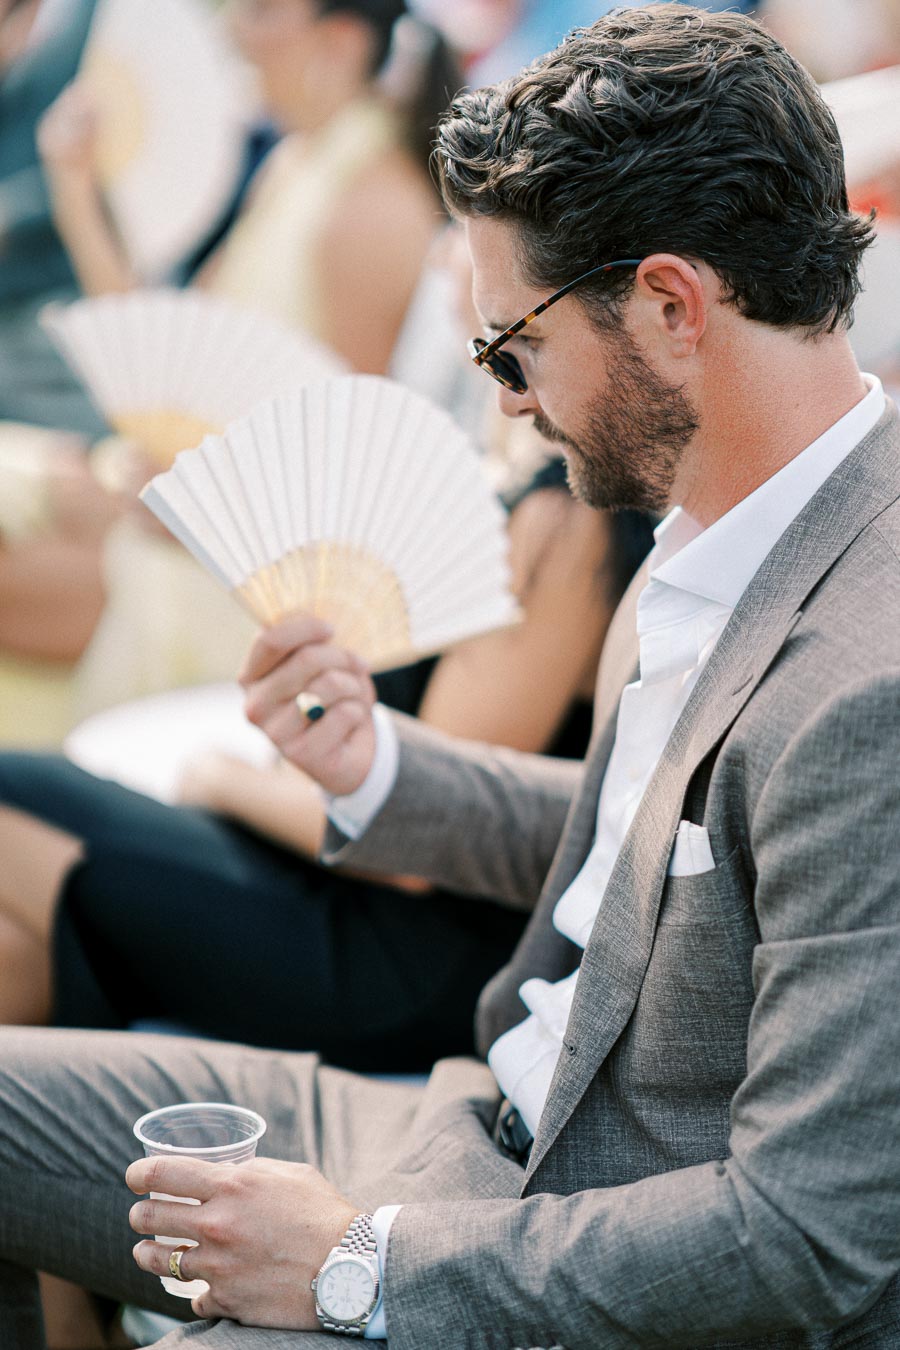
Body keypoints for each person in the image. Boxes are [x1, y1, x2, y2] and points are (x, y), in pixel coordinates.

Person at [1, 5, 899, 1347]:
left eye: (510, 346)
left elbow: (805, 1240)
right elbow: (654, 852)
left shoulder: (870, 686)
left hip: (559, 1239)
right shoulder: (709, 530)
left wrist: (361, 1262)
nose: (507, 400)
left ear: (670, 306)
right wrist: (377, 766)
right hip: (455, 1123)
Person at [0, 459, 655, 1067]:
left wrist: (219, 779)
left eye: (511, 373)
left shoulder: (565, 521)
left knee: (14, 792)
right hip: (339, 891)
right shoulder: (515, 500)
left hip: (392, 951)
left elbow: (415, 838)